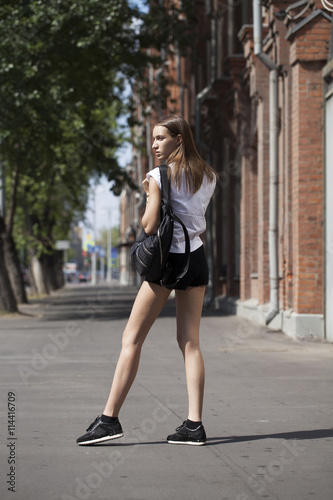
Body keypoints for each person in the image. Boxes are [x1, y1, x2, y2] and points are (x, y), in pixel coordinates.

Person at [76, 115, 216, 446]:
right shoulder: (208, 175)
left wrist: (149, 196)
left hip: (167, 262)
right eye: (153, 139)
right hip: (196, 259)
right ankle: (194, 425)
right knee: (190, 342)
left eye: (160, 138)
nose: (154, 145)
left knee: (132, 338)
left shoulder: (158, 176)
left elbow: (150, 225)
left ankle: (109, 419)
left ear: (179, 140)